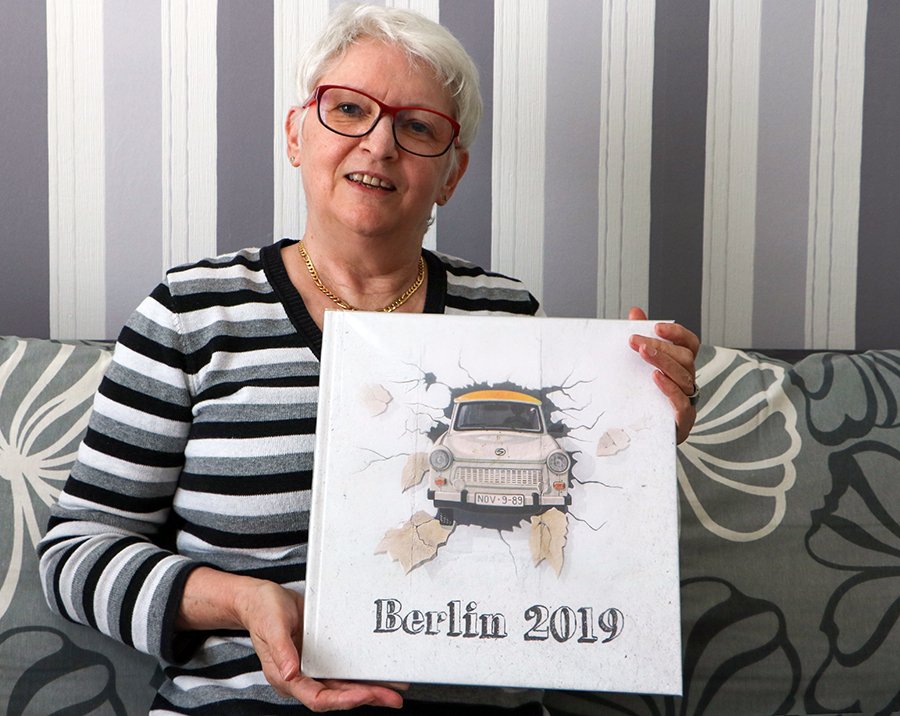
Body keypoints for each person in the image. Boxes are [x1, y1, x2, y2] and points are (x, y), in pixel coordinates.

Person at [37, 4, 699, 714]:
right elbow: (76, 555)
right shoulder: (192, 313)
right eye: (349, 109)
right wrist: (244, 601)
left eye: (417, 127)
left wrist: (633, 440)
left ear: (451, 174)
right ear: (297, 134)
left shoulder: (507, 318)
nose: (379, 144)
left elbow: (569, 530)